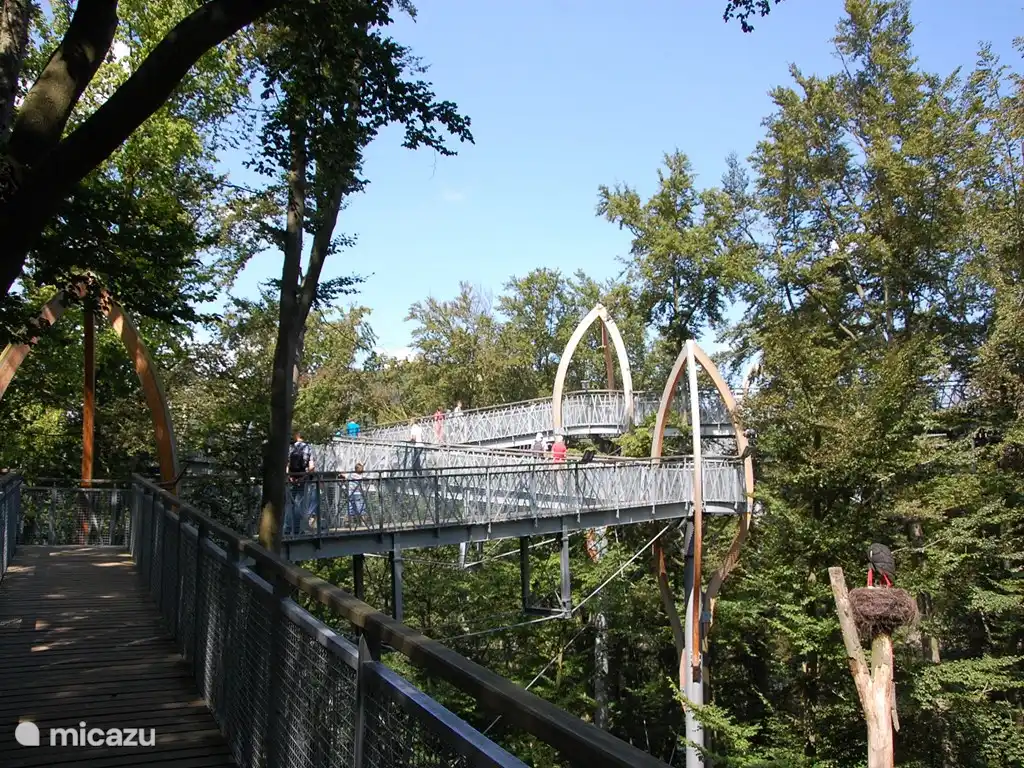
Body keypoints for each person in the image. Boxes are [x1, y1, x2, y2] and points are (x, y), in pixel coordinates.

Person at [287, 431, 315, 535]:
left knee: (289, 504)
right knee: (299, 504)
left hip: (291, 479)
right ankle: (297, 530)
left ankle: (287, 529)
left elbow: (286, 464)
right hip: (302, 480)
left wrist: (290, 477)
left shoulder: (290, 447)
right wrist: (303, 477)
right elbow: (312, 467)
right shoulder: (308, 448)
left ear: (296, 437)